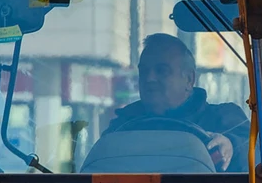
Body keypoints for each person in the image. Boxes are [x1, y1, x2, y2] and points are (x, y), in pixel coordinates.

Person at [104, 34, 246, 169]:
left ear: (189, 79)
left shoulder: (224, 119)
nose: (149, 79)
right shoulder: (122, 127)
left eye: (162, 71)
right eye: (144, 71)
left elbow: (257, 154)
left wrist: (231, 145)